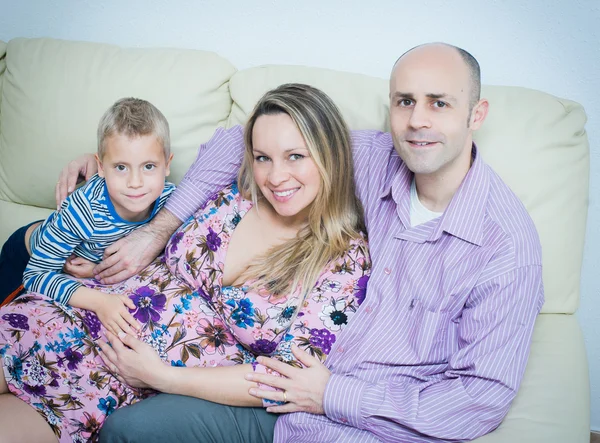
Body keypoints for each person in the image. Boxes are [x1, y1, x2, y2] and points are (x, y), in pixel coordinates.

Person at [71, 43, 542, 442]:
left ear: (476, 113)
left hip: (348, 420)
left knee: (131, 428)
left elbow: (480, 401)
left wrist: (333, 394)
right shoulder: (382, 156)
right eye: (404, 101)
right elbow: (245, 142)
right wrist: (141, 206)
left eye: (439, 103)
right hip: (282, 386)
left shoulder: (506, 248)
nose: (418, 120)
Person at [0, 83, 371, 443]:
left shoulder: (345, 260)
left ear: (330, 155)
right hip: (68, 317)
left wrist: (160, 377)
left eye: (296, 156)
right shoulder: (234, 194)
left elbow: (286, 378)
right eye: (263, 157)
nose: (275, 177)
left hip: (107, 386)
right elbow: (140, 183)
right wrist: (101, 173)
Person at [0, 98, 175, 332]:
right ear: (101, 167)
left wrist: (96, 270)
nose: (136, 183)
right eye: (121, 167)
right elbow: (36, 275)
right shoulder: (84, 211)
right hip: (27, 256)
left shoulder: (171, 201)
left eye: (149, 166)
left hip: (83, 259)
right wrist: (100, 302)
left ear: (167, 165)